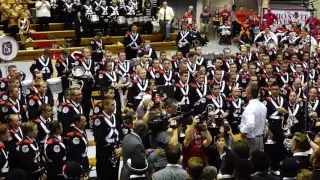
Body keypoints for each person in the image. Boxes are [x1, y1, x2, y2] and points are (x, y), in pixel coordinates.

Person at [239, 84, 267, 152]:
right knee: (257, 161)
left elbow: (250, 124)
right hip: (260, 138)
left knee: (250, 160)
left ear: (249, 94)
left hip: (251, 139)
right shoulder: (263, 106)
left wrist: (242, 131)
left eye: (246, 91)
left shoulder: (250, 107)